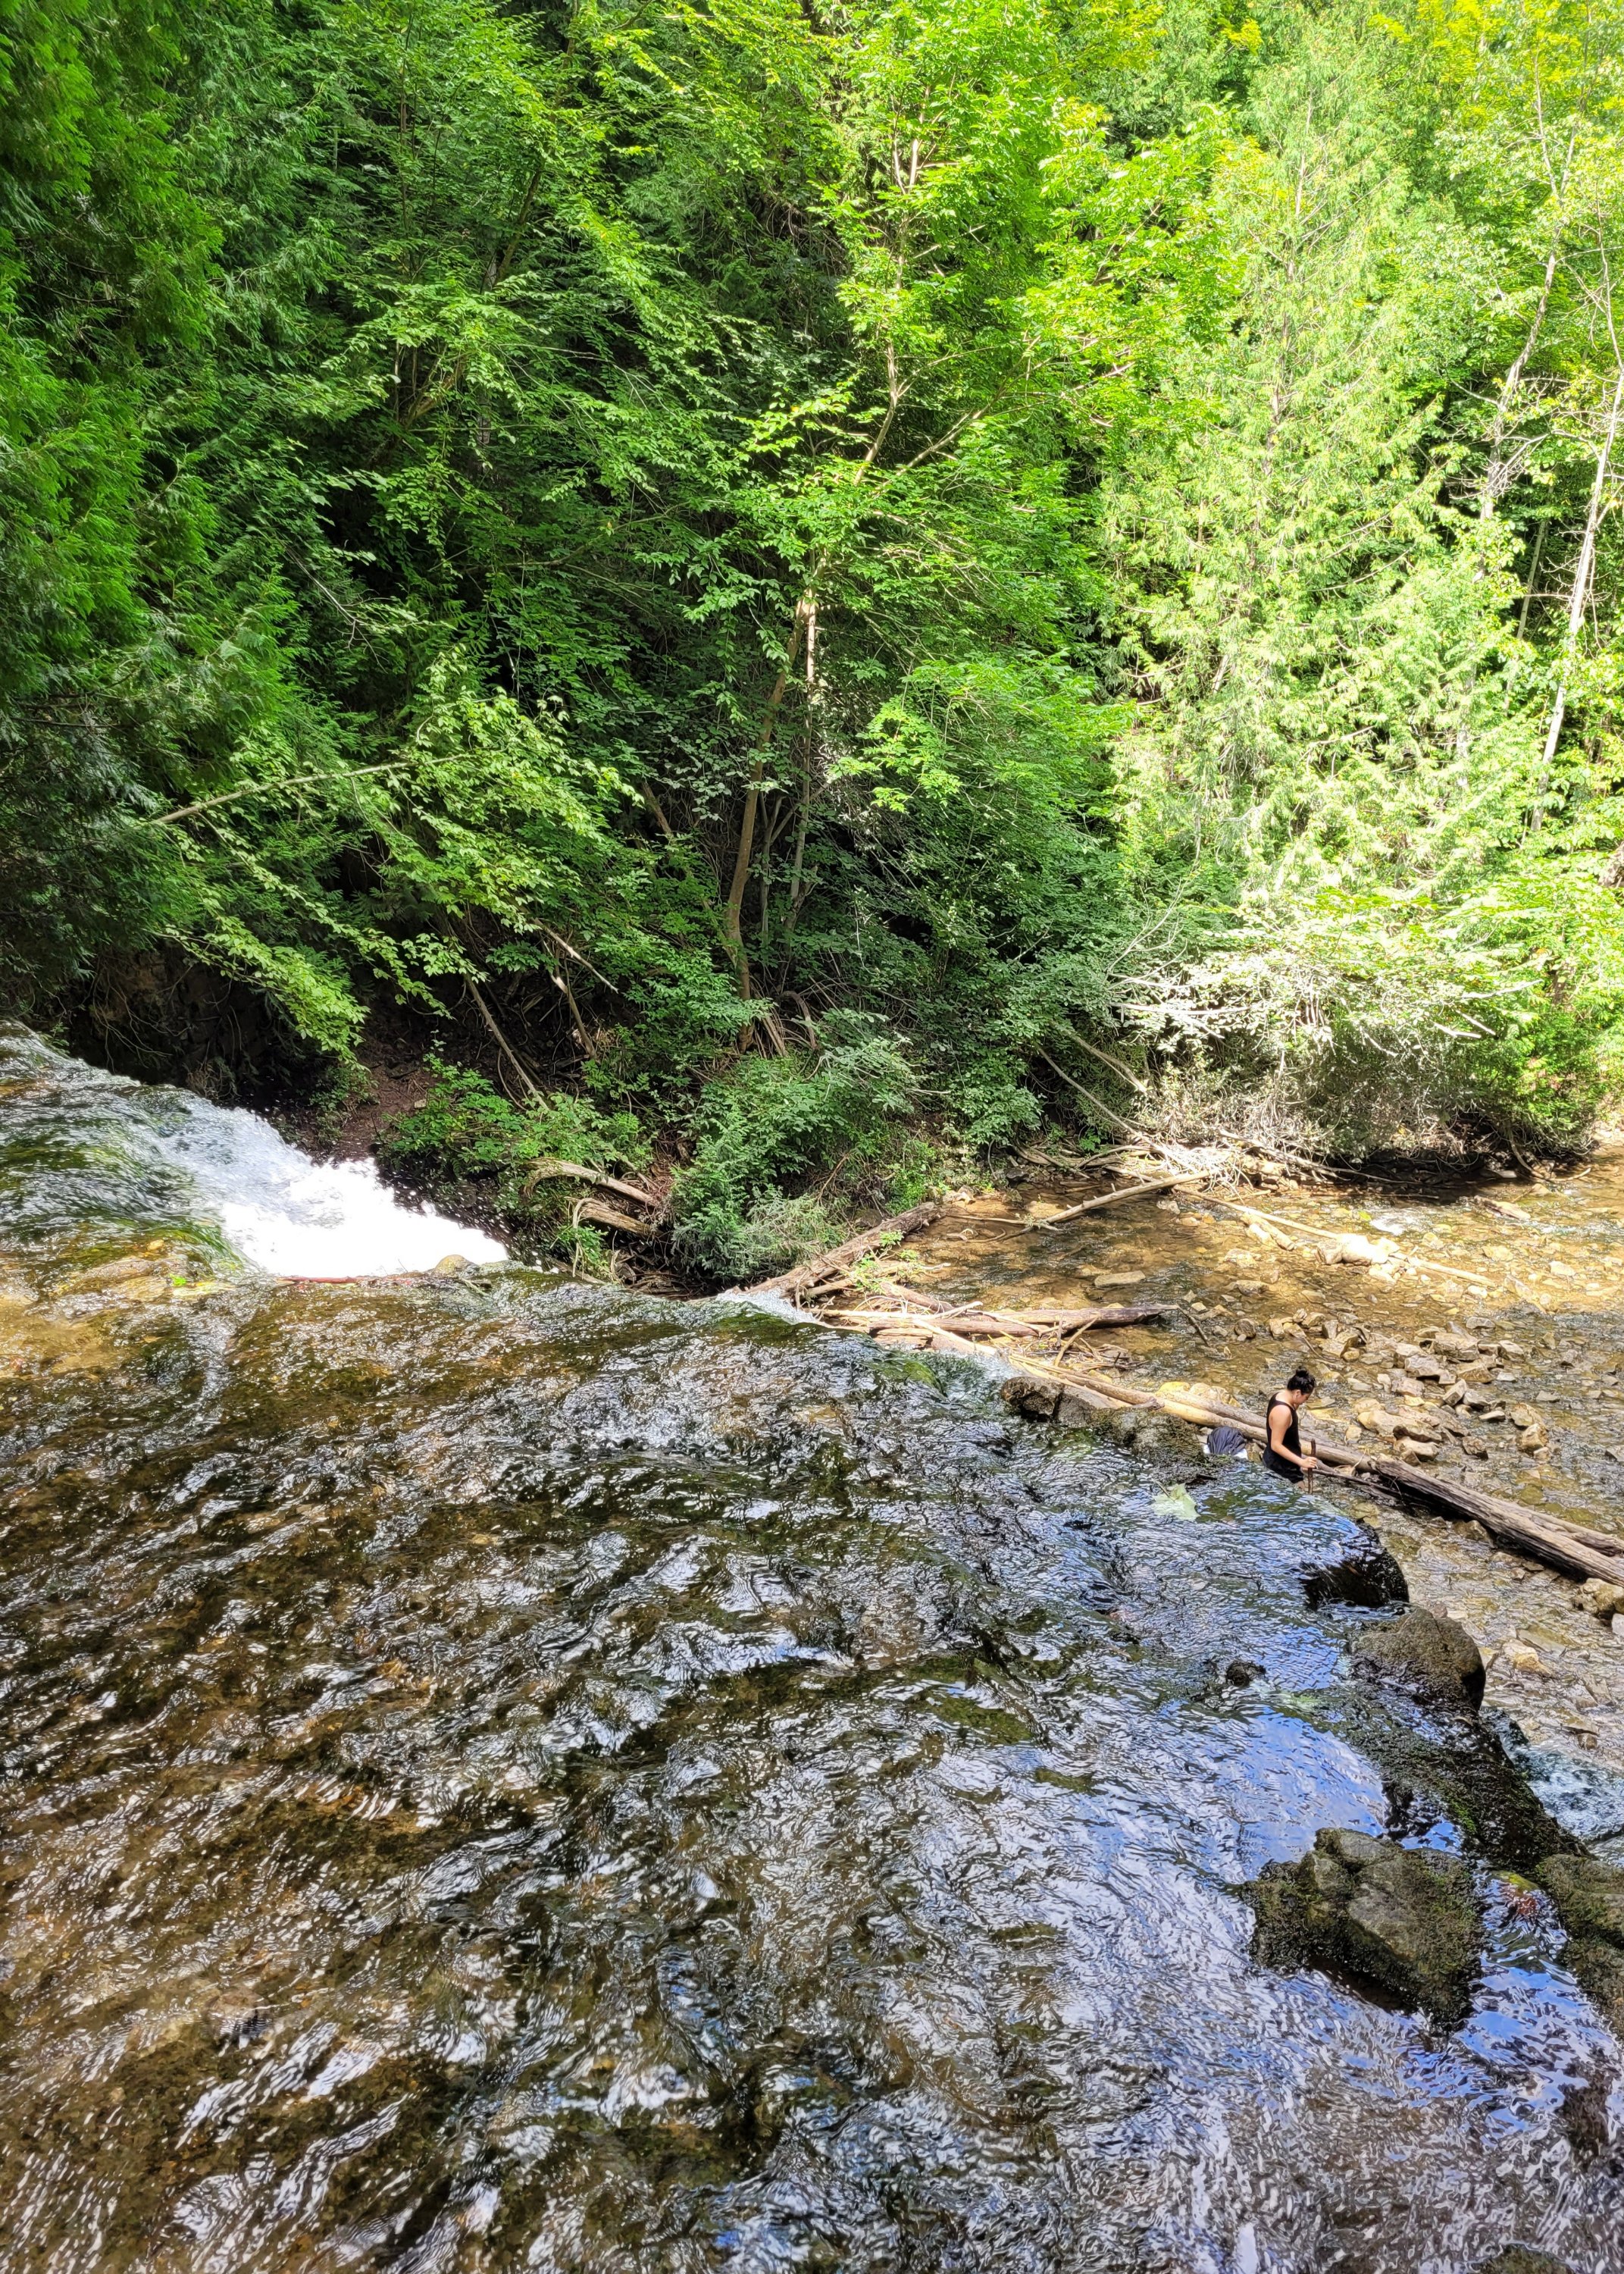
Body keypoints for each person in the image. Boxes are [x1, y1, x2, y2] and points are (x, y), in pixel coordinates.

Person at [1263, 1367, 1319, 1483]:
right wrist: (1302, 1462)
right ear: (1297, 1393)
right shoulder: (1283, 1412)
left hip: (1285, 1465)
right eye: (1306, 1398)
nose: (1305, 1402)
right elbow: (1275, 1445)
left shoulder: (1281, 1395)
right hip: (1281, 1469)